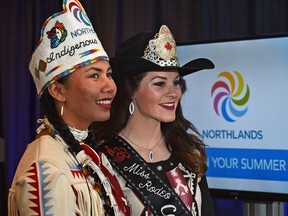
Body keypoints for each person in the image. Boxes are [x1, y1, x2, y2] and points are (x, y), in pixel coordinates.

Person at [8, 0, 130, 215]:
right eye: (94, 75)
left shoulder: (88, 151)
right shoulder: (45, 167)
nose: (110, 86)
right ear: (58, 91)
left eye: (108, 74)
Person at [93, 25, 215, 216]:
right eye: (159, 84)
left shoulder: (187, 151)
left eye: (176, 82)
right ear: (131, 91)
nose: (173, 92)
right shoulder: (102, 159)